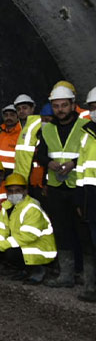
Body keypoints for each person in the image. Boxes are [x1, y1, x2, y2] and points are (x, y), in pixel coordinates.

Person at [36, 84, 88, 288]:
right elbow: (40, 154)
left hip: (79, 187)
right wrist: (49, 163)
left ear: (73, 105)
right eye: (56, 106)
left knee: (82, 231)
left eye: (64, 105)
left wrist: (73, 164)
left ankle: (86, 275)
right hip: (56, 187)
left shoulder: (85, 126)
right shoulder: (47, 128)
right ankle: (66, 274)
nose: (60, 110)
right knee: (62, 230)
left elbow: (90, 153)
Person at [0, 173, 56, 285]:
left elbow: (27, 236)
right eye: (10, 191)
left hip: (39, 248)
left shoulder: (31, 208)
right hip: (24, 244)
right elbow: (1, 230)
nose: (14, 194)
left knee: (9, 251)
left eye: (17, 190)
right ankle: (23, 269)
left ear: (25, 191)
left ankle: (39, 269)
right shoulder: (7, 206)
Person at [74, 86, 96, 302]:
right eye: (92, 107)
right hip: (91, 196)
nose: (95, 110)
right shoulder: (87, 134)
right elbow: (81, 168)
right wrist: (80, 198)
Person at [14, 94, 43, 191]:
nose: (21, 111)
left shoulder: (39, 124)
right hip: (22, 178)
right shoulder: (22, 127)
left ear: (32, 108)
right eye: (18, 109)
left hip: (34, 178)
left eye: (24, 108)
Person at [0, 104, 21, 172]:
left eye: (12, 115)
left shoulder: (22, 135)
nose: (8, 118)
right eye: (6, 115)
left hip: (16, 175)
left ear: (17, 117)